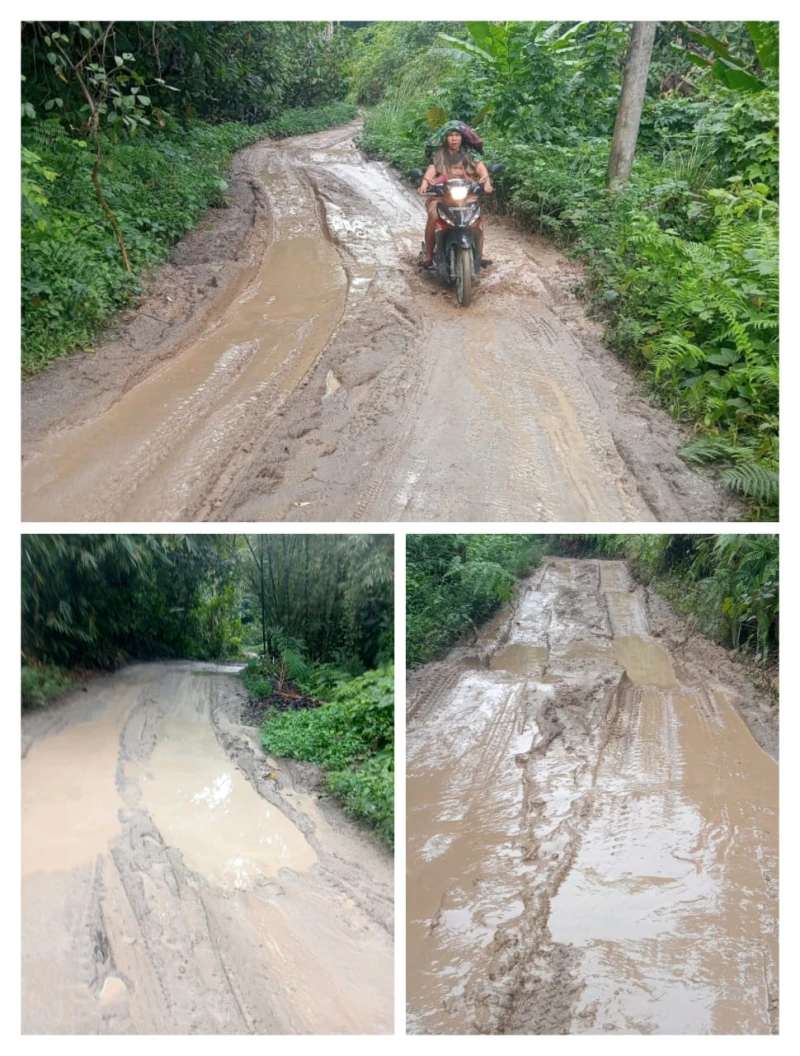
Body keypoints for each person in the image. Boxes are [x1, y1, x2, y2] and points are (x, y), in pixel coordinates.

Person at [418, 126, 493, 267]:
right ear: (445, 138)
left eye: (457, 135)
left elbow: (481, 169)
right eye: (450, 135)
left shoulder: (469, 153)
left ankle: (480, 253)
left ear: (462, 137)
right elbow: (431, 170)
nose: (454, 138)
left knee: (478, 217)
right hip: (442, 197)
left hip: (466, 197)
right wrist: (425, 183)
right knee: (433, 216)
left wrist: (486, 182)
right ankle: (428, 255)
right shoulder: (439, 154)